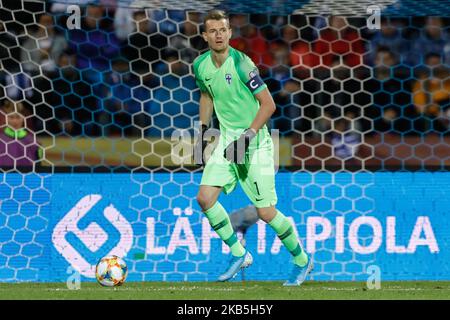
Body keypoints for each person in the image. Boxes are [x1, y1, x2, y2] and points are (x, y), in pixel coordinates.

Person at [193, 10, 312, 286]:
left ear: (230, 33)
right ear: (205, 36)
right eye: (212, 31)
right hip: (226, 141)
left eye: (223, 29)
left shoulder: (242, 64)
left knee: (266, 212)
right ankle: (238, 254)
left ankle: (302, 261)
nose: (218, 35)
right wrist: (202, 131)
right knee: (204, 198)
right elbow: (206, 95)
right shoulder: (200, 65)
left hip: (254, 143)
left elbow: (268, 104)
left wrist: (247, 135)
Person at [0, 100, 41, 168]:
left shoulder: (32, 141)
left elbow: (38, 165)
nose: (15, 121)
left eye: (18, 117)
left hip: (26, 177)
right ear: (6, 118)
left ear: (23, 118)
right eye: (11, 117)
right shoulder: (1, 139)